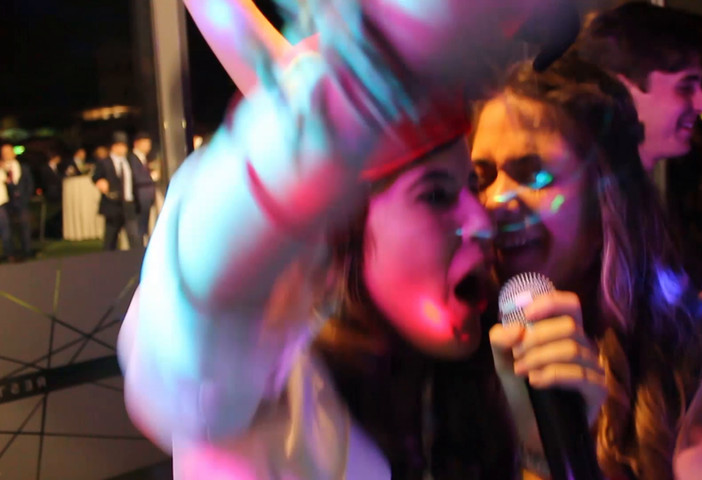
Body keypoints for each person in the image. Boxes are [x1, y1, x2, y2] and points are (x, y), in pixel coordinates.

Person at [118, 1, 594, 479]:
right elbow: (195, 327)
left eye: (471, 185)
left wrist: (535, 444)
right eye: (435, 195)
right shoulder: (269, 386)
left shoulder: (446, 387)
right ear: (339, 234)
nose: (482, 219)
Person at [470, 53, 702, 480]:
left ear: (605, 201)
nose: (494, 202)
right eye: (480, 178)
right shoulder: (461, 351)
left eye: (534, 174)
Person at [570, 1, 702, 323]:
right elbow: (607, 360)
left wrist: (698, 318)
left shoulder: (636, 197)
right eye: (686, 86)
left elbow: (647, 328)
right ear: (622, 90)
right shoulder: (586, 217)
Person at [92, 132, 143, 250]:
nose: (123, 149)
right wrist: (100, 181)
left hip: (129, 204)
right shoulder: (105, 162)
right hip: (112, 205)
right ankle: (109, 263)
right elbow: (95, 176)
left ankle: (136, 261)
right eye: (120, 145)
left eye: (125, 145)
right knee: (111, 239)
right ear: (114, 147)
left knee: (134, 237)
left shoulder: (130, 160)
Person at [0, 141, 34, 262]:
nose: (6, 155)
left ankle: (27, 250)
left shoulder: (23, 167)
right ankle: (11, 252)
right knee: (7, 228)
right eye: (4, 153)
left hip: (22, 201)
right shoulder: (1, 169)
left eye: (8, 152)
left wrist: (26, 196)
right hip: (6, 203)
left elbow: (28, 183)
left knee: (24, 225)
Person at [129, 132, 156, 243]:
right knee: (140, 223)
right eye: (145, 143)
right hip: (140, 196)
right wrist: (151, 177)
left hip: (146, 195)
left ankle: (143, 240)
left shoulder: (143, 158)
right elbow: (136, 176)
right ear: (137, 144)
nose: (148, 146)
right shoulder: (132, 158)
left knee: (145, 221)